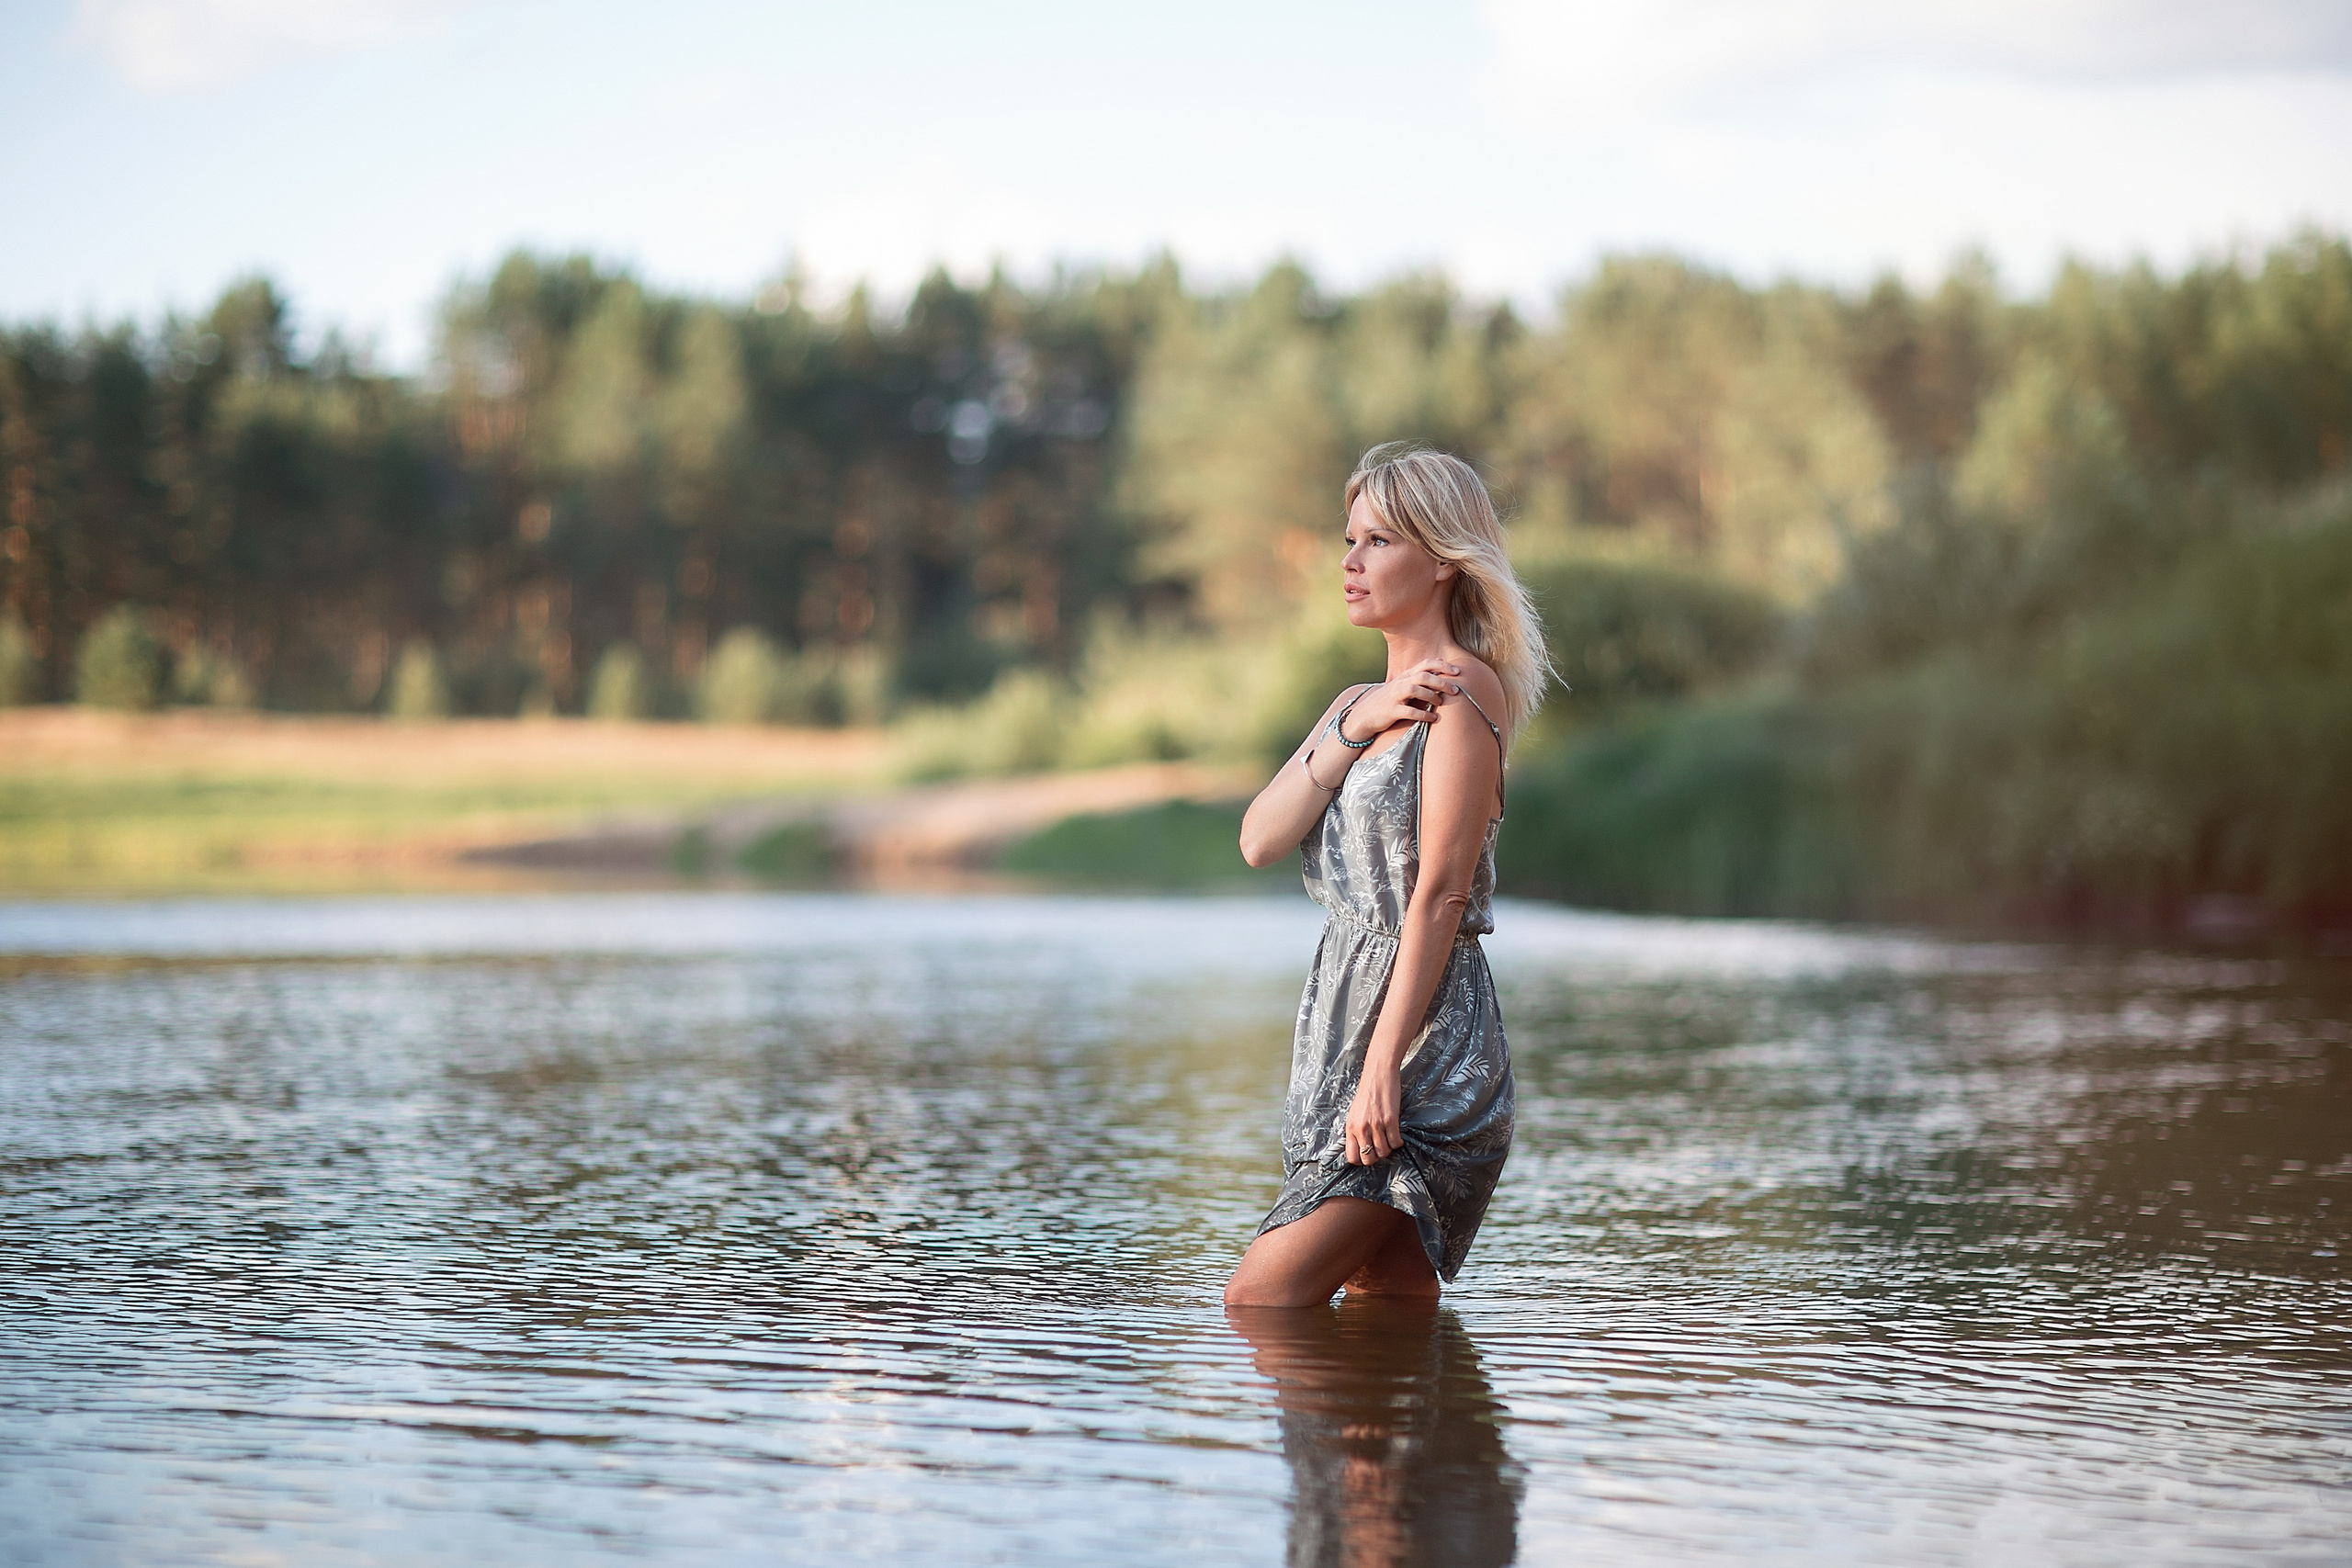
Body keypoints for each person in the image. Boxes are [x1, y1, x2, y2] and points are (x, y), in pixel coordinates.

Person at [1225, 445, 1549, 1308]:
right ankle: (1442, 1443)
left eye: (1376, 541)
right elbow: (1259, 837)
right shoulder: (1355, 705)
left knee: (1258, 1303)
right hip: (1344, 1028)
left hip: (1420, 1051)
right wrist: (1356, 721)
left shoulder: (1463, 691)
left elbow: (1441, 892)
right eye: (1349, 538)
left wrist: (1381, 1068)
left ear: (1441, 558)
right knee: (1387, 1330)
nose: (1349, 561)